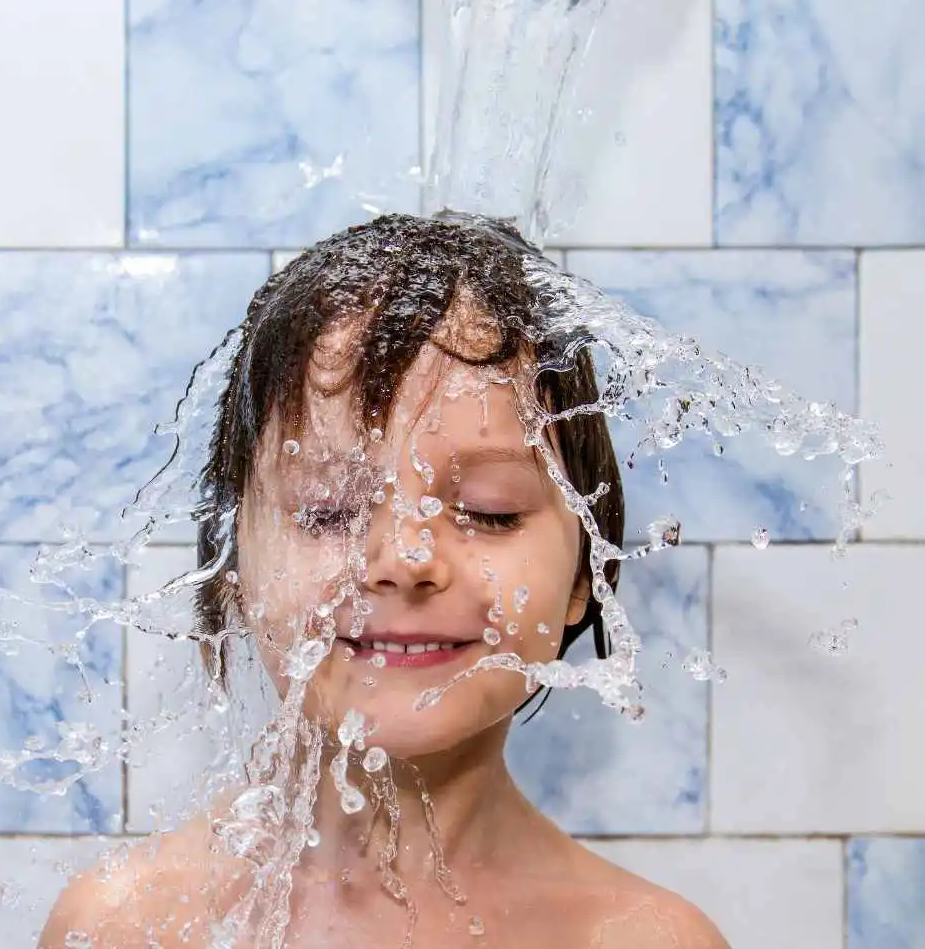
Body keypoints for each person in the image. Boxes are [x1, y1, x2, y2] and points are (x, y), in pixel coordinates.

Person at [40, 213, 729, 948]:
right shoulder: (126, 927)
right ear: (234, 571)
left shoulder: (645, 941)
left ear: (583, 572)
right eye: (329, 512)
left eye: (489, 514)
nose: (403, 558)